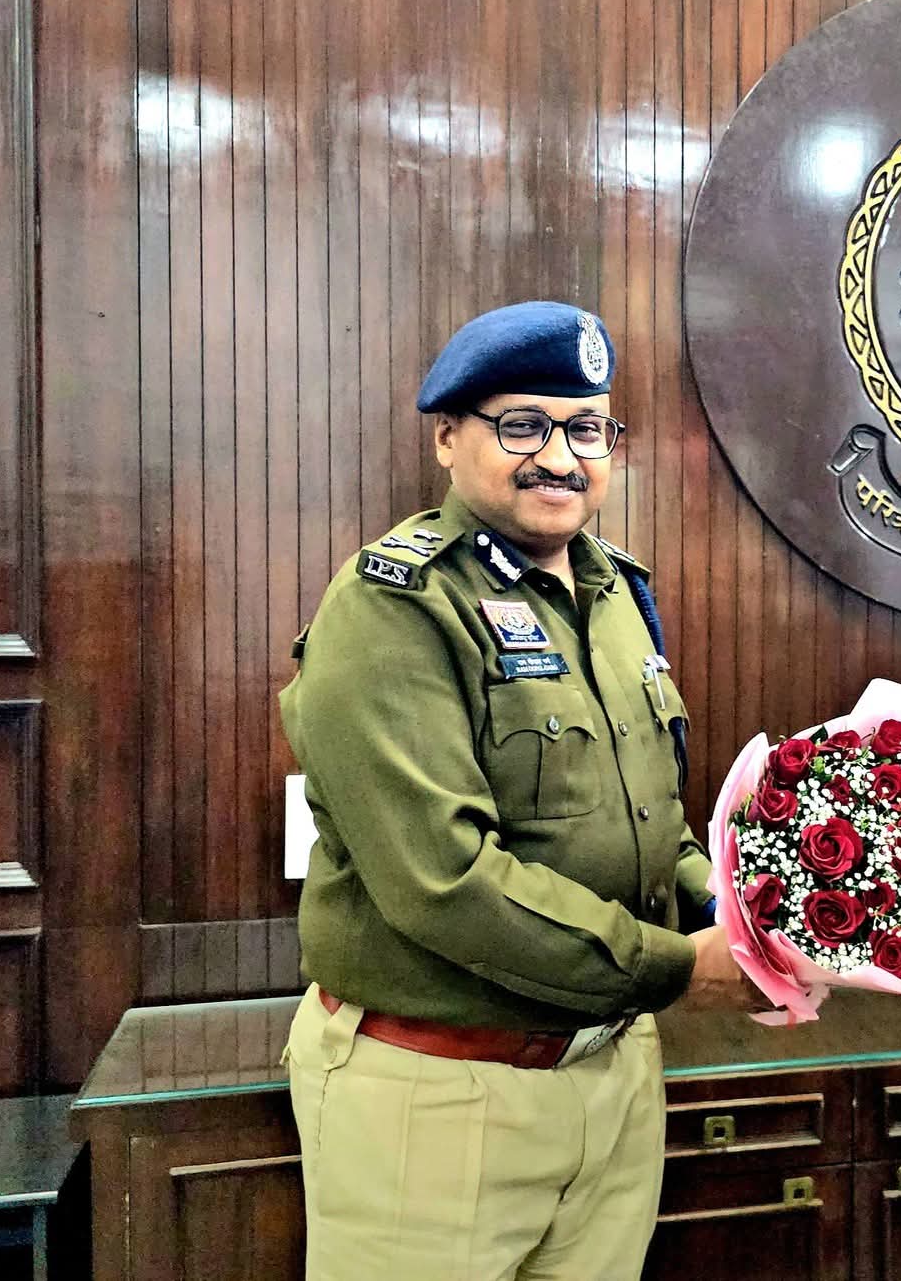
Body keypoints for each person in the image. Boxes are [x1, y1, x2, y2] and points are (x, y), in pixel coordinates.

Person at [279, 300, 755, 1281]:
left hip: (613, 1076)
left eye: (587, 430)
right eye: (524, 427)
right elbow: (446, 881)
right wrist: (680, 969)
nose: (560, 458)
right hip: (438, 1090)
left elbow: (647, 823)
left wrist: (733, 911)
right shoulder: (395, 605)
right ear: (447, 438)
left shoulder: (615, 593)